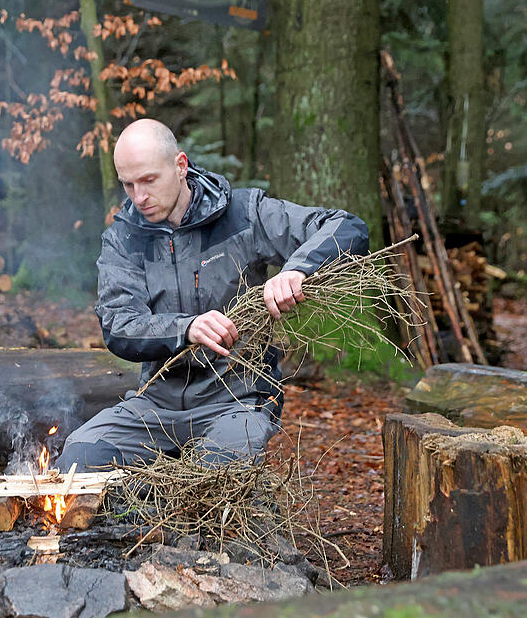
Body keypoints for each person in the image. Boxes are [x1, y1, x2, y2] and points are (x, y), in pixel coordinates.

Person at [55, 119, 368, 471]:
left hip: (237, 400)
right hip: (156, 404)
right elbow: (118, 326)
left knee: (217, 470)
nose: (138, 197)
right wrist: (186, 328)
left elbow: (346, 226)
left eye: (148, 180)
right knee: (79, 456)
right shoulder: (123, 239)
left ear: (180, 166)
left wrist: (297, 269)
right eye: (128, 184)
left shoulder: (243, 213)